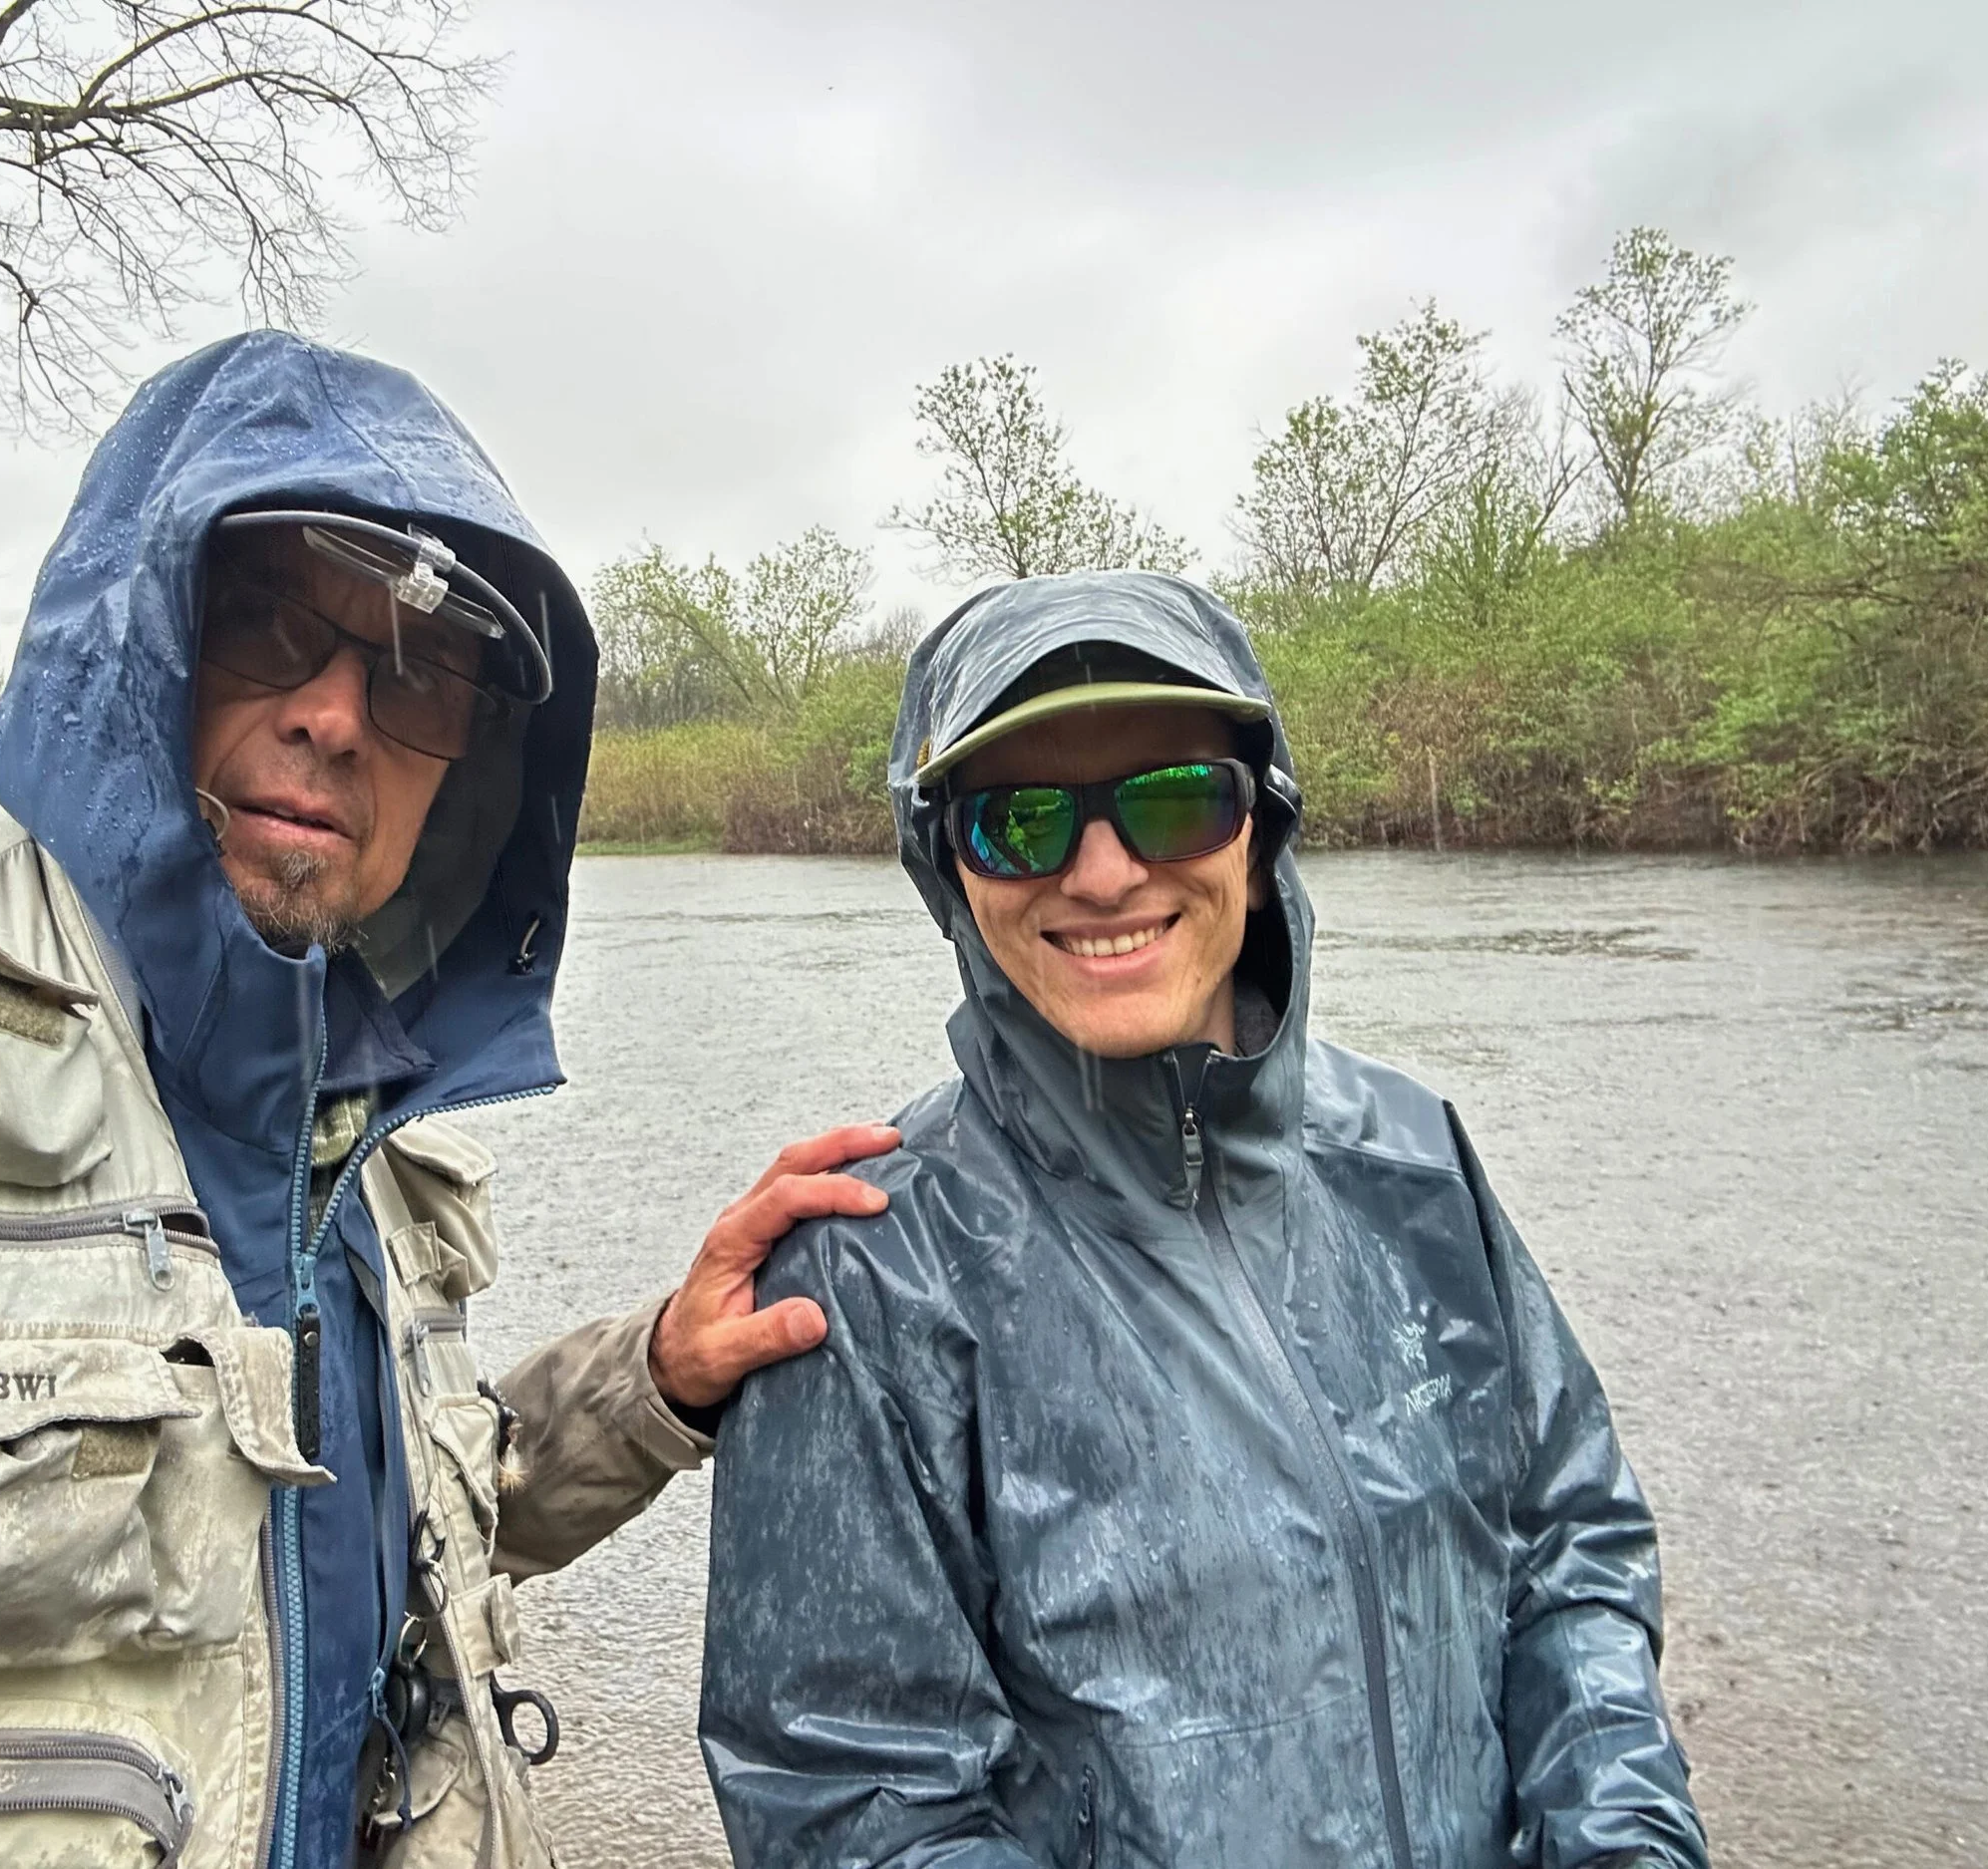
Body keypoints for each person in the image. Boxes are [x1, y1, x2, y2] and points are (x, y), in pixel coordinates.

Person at [0, 331, 892, 1868]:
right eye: (268, 622)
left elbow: (367, 1538)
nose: (336, 716)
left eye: (414, 676)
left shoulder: (358, 1152)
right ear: (134, 639)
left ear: (470, 768)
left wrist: (658, 1374)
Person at [700, 572, 1710, 1869]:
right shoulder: (867, 1274)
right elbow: (852, 1803)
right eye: (1019, 820)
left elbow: (1569, 1551)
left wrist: (1627, 1842)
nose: (1105, 872)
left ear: (1258, 830)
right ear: (950, 869)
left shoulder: (1413, 1162)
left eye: (1176, 799)